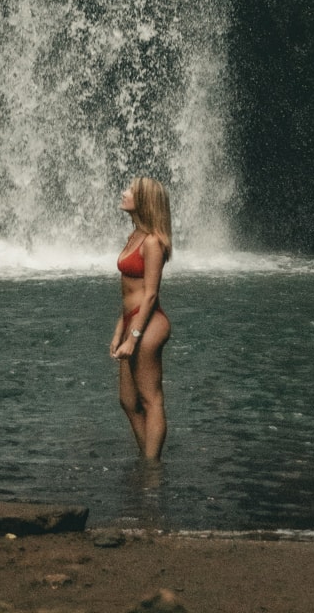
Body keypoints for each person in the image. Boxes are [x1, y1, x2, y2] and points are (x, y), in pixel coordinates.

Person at [109, 175, 172, 460]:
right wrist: (119, 329)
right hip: (131, 321)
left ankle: (152, 468)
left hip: (148, 324)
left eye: (130, 191)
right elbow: (127, 293)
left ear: (144, 201)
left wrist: (133, 337)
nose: (123, 193)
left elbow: (149, 295)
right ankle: (149, 459)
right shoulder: (134, 235)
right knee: (127, 400)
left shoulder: (152, 242)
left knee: (150, 398)